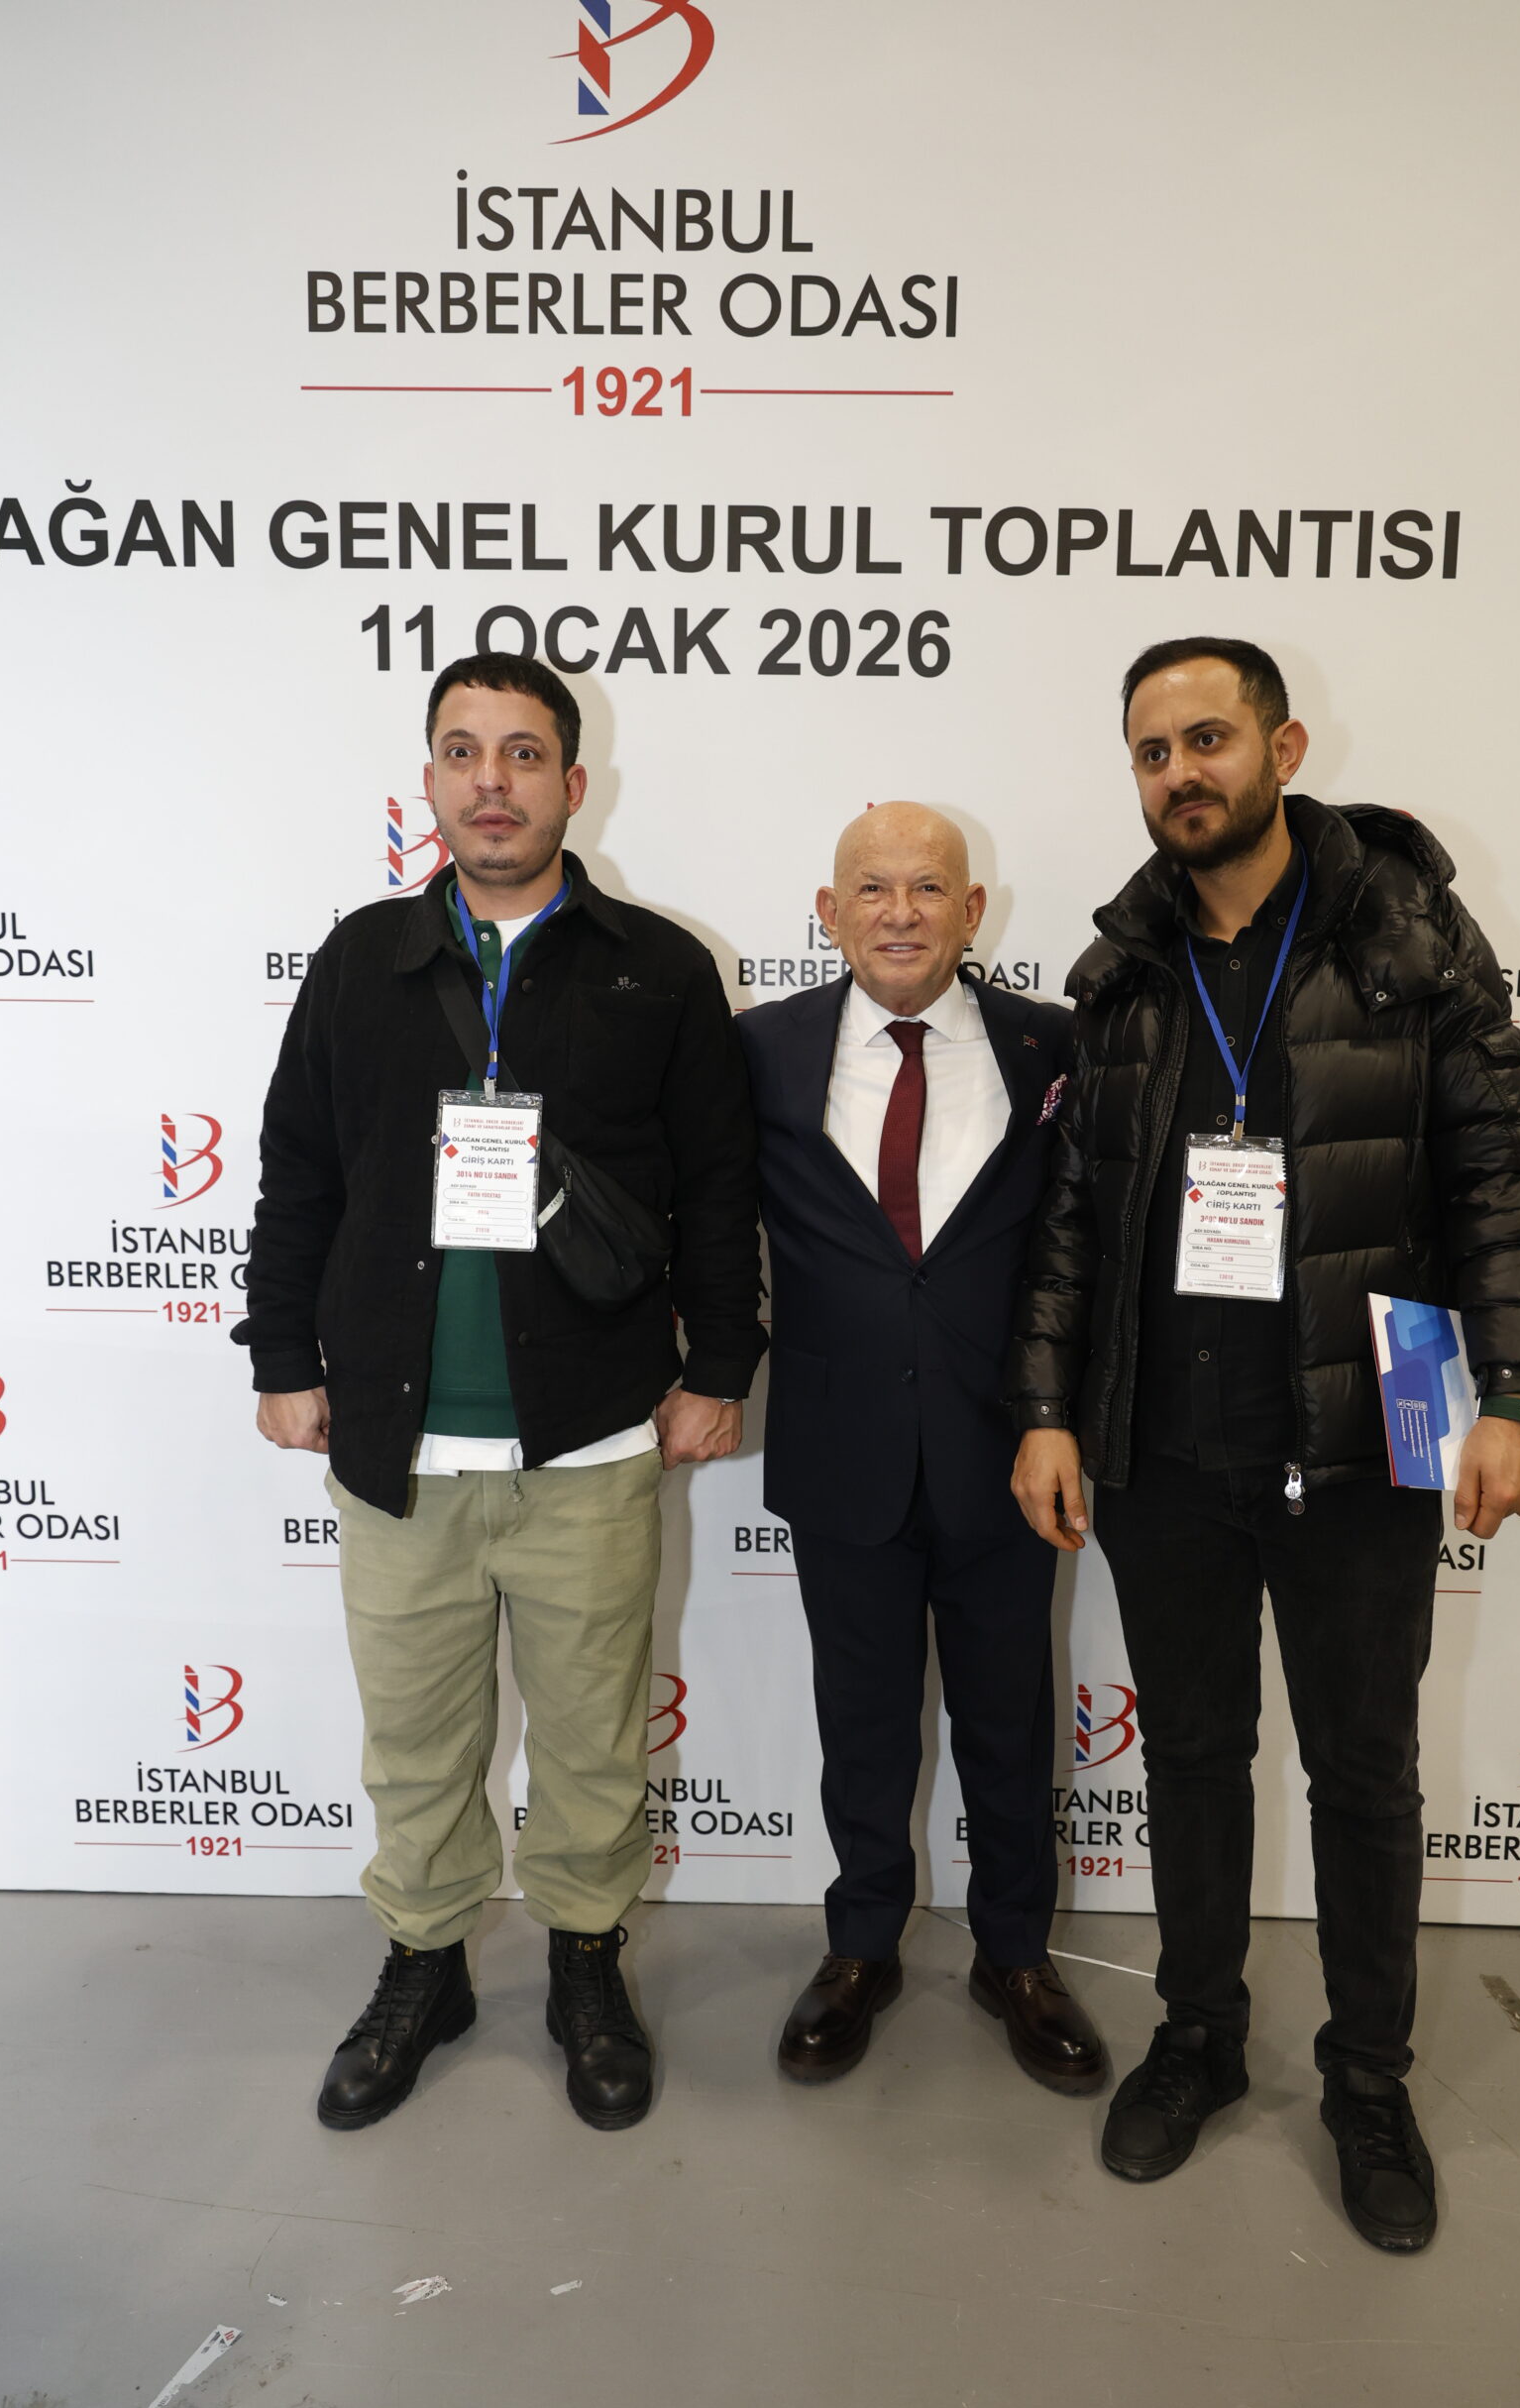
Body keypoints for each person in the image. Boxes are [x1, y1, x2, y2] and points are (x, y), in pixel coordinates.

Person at [1010, 638, 1520, 2250]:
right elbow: (1071, 1217)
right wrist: (1046, 1410)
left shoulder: (1406, 934)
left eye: (1208, 739)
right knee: (1190, 1758)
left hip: (1363, 1440)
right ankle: (1198, 2035)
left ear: (1283, 746)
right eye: (1152, 752)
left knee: (1364, 1775)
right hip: (1166, 1451)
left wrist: (1515, 1395)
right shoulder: (1124, 968)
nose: (1180, 773)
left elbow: (1502, 1168)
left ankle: (1368, 2080)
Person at [236, 653, 763, 2134]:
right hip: (398, 1442)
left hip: (589, 1436)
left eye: (524, 754)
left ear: (572, 785)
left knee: (593, 1736)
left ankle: (586, 1963)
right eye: (463, 751)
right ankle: (427, 1963)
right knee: (416, 1741)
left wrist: (719, 1368)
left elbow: (721, 1187)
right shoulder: (362, 961)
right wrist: (282, 1358)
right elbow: (298, 1170)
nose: (492, 781)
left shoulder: (658, 968)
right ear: (428, 781)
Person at [738, 803, 1105, 2095]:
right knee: (863, 1724)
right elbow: (709, 1226)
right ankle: (859, 1948)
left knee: (1009, 1721)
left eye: (930, 888)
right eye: (873, 889)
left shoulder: (1050, 1046)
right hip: (838, 1448)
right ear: (828, 913)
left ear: (972, 911)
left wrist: (1063, 1416)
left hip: (1008, 1452)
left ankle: (1016, 1956)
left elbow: (1080, 1241)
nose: (901, 912)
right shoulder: (761, 1051)